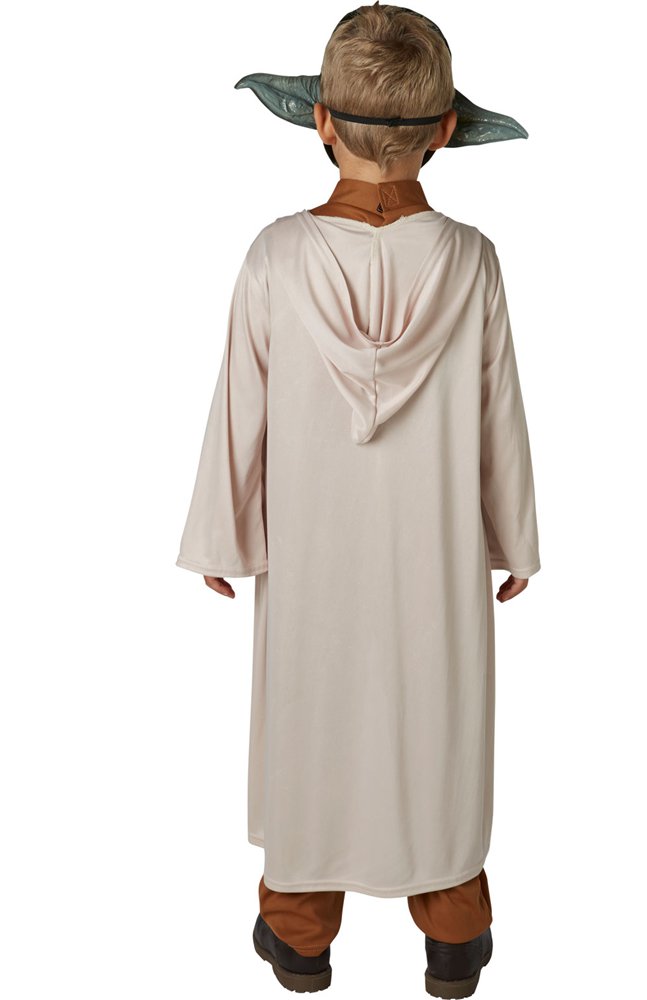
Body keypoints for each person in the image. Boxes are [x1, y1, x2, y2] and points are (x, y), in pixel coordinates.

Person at [175, 5, 541, 997]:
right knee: (438, 718)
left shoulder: (277, 256)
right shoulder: (470, 259)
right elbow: (497, 410)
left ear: (322, 122)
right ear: (447, 131)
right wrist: (513, 537)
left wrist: (222, 531)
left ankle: (300, 936)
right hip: (435, 553)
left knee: (312, 714)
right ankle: (454, 933)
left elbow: (240, 404)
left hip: (314, 553)